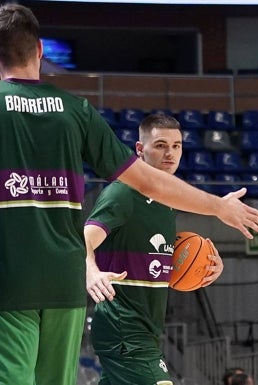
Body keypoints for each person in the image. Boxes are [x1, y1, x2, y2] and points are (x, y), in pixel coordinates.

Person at [0, 3, 258, 385]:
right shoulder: (75, 109)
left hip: (7, 278)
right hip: (64, 281)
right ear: (41, 50)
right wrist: (217, 206)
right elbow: (147, 181)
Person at [84, 114, 225, 385]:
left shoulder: (167, 201)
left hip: (146, 329)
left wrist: (206, 265)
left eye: (176, 145)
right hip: (123, 327)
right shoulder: (123, 193)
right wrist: (91, 269)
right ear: (140, 150)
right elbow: (84, 239)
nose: (170, 153)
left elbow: (155, 263)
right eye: (160, 145)